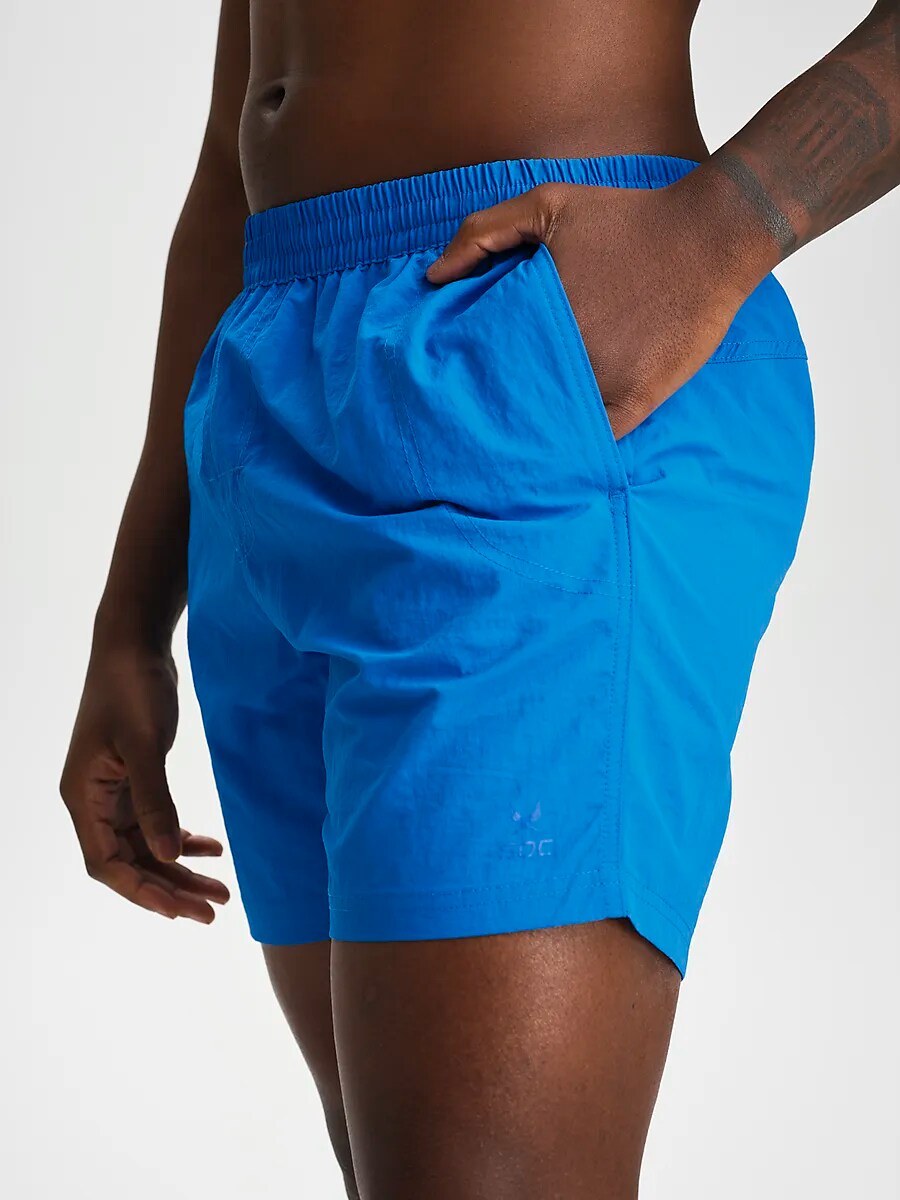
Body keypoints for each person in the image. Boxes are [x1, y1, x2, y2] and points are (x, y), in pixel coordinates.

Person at [59, 3, 899, 1197]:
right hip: (269, 381)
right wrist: (133, 617)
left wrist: (729, 221)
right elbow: (226, 160)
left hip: (534, 349)